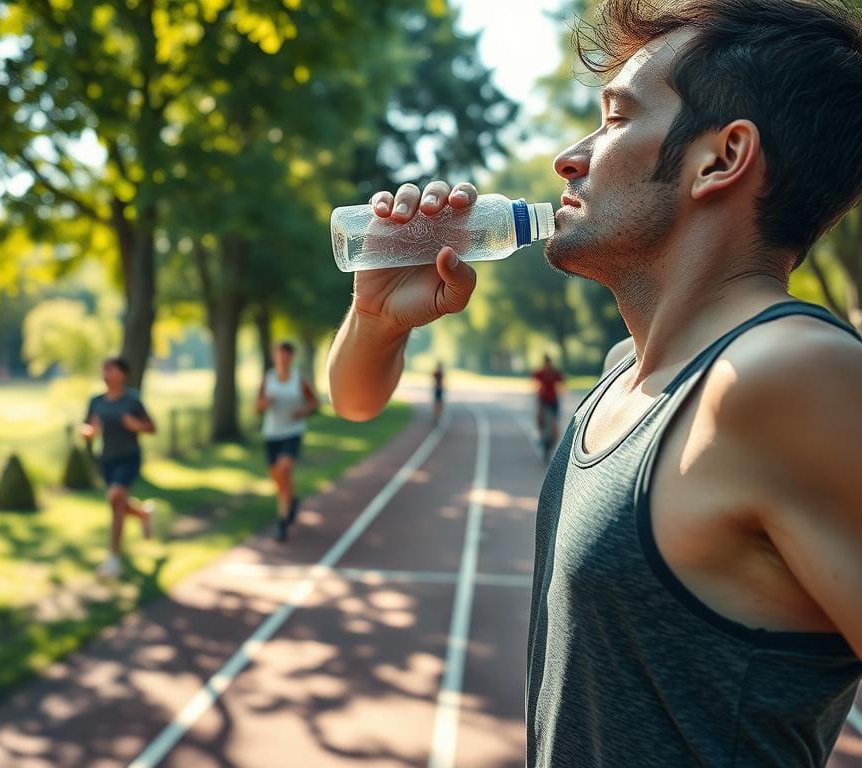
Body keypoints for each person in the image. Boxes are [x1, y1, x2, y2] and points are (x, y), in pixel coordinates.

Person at [326, 0, 862, 765]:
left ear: (721, 159)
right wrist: (377, 319)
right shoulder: (627, 372)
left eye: (615, 117)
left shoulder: (791, 375)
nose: (569, 158)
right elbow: (354, 402)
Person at [81, 357, 156, 580]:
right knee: (118, 502)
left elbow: (151, 427)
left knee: (115, 498)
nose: (105, 374)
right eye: (104, 369)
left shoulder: (132, 400)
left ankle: (113, 560)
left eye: (110, 369)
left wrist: (136, 425)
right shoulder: (96, 401)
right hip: (106, 459)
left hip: (128, 457)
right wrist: (89, 432)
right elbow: (87, 426)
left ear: (122, 374)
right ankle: (143, 514)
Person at [256, 341, 318, 543]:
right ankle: (292, 499)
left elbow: (313, 402)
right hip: (271, 434)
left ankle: (282, 523)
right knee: (278, 478)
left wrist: (303, 411)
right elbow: (257, 407)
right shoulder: (268, 379)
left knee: (284, 469)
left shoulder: (299, 379)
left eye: (286, 355)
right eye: (280, 354)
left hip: (292, 432)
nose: (283, 358)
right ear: (274, 356)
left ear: (291, 357)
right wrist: (264, 403)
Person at [531, 355, 564, 462]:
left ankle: (553, 440)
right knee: (540, 418)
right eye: (546, 363)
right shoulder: (541, 372)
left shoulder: (555, 373)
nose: (547, 365)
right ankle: (540, 433)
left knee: (554, 424)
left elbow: (562, 381)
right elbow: (534, 379)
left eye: (548, 363)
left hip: (553, 402)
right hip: (543, 401)